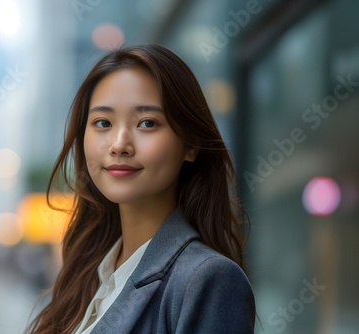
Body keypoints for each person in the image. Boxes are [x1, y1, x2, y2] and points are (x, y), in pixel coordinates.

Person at [26, 44, 255, 333]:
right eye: (103, 122)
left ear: (191, 144)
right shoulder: (87, 274)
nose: (119, 144)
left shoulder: (208, 280)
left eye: (147, 123)